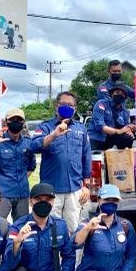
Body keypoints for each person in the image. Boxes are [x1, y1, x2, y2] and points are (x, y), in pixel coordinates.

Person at [1, 183, 80, 271]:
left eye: (48, 199)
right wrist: (17, 242)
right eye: (39, 199)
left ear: (53, 202)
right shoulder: (18, 225)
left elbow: (69, 257)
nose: (43, 202)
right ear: (31, 201)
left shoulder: (60, 226)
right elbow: (9, 262)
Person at [31, 92, 92, 231]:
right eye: (63, 104)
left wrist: (86, 185)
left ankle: (72, 254)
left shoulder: (81, 129)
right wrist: (54, 135)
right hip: (52, 190)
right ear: (56, 106)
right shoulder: (45, 127)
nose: (67, 107)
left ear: (75, 109)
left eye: (71, 105)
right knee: (51, 229)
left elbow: (86, 156)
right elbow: (33, 146)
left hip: (74, 189)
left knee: (73, 229)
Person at [0, 108, 36, 222]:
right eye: (13, 120)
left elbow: (32, 165)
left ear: (23, 123)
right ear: (6, 122)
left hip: (22, 194)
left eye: (19, 120)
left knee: (21, 227)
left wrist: (22, 178)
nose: (16, 122)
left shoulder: (28, 142)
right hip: (3, 194)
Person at [88, 83, 136, 150]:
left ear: (125, 97)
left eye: (122, 93)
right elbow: (100, 126)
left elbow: (124, 129)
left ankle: (122, 158)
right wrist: (118, 131)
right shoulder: (101, 104)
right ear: (112, 94)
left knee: (128, 138)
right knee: (94, 157)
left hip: (110, 140)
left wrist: (129, 130)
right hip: (96, 138)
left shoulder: (125, 112)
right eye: (117, 92)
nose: (119, 95)